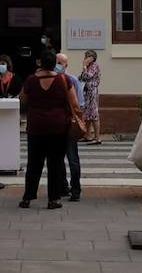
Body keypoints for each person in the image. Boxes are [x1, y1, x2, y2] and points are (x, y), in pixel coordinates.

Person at [18, 49, 80, 209]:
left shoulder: (31, 80)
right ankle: (53, 199)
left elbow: (23, 99)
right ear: (54, 64)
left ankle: (27, 197)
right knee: (55, 163)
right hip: (58, 127)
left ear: (40, 63)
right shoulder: (64, 80)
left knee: (33, 163)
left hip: (36, 127)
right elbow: (74, 103)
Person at [55, 53, 84, 202]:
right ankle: (63, 187)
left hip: (69, 124)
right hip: (56, 125)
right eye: (56, 62)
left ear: (66, 65)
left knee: (72, 159)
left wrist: (77, 120)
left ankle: (75, 189)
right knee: (58, 160)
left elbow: (80, 104)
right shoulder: (51, 80)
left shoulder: (72, 80)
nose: (58, 65)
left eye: (61, 63)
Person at [78, 50, 102, 144]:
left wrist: (84, 66)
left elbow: (88, 76)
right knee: (87, 115)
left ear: (91, 58)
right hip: (87, 93)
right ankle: (87, 135)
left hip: (92, 92)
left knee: (94, 115)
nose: (84, 58)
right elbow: (82, 78)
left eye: (86, 56)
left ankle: (97, 138)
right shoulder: (88, 67)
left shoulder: (94, 66)